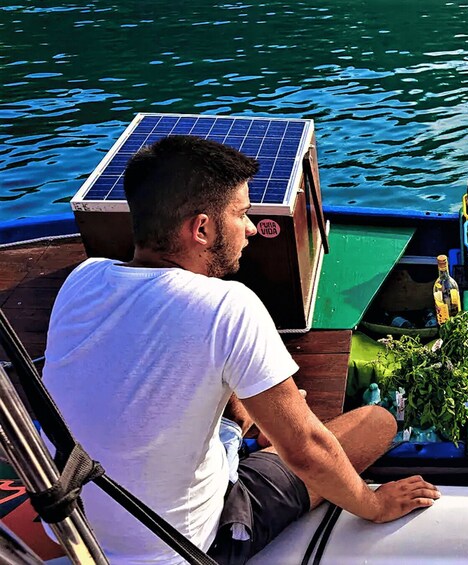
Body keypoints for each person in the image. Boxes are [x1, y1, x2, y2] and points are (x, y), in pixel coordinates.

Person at [42, 136, 439, 564]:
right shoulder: (226, 306)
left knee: (244, 404)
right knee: (375, 423)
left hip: (72, 529)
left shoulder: (82, 279)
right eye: (241, 213)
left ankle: (249, 431)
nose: (250, 228)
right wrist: (375, 505)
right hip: (183, 549)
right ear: (202, 229)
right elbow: (305, 450)